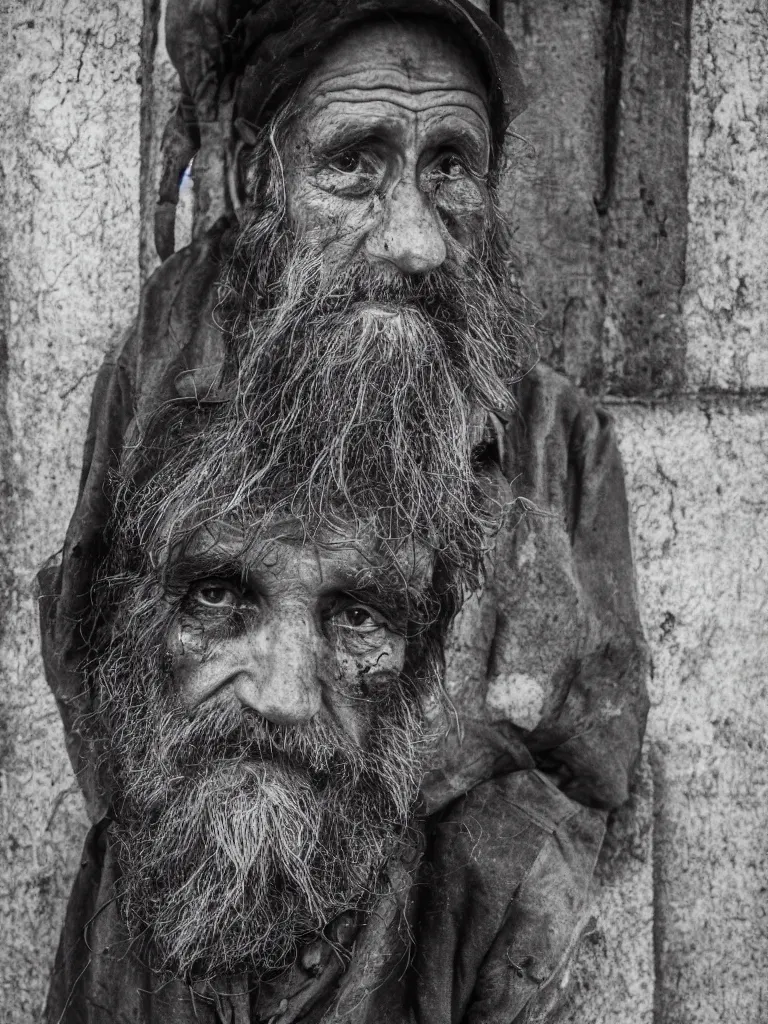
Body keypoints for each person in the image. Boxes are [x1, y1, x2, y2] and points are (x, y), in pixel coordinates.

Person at [40, 1, 649, 1019]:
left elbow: (603, 752)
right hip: (180, 936)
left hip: (438, 957)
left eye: (449, 166)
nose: (415, 240)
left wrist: (489, 723)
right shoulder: (161, 363)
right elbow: (89, 660)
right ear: (255, 182)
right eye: (355, 165)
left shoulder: (555, 437)